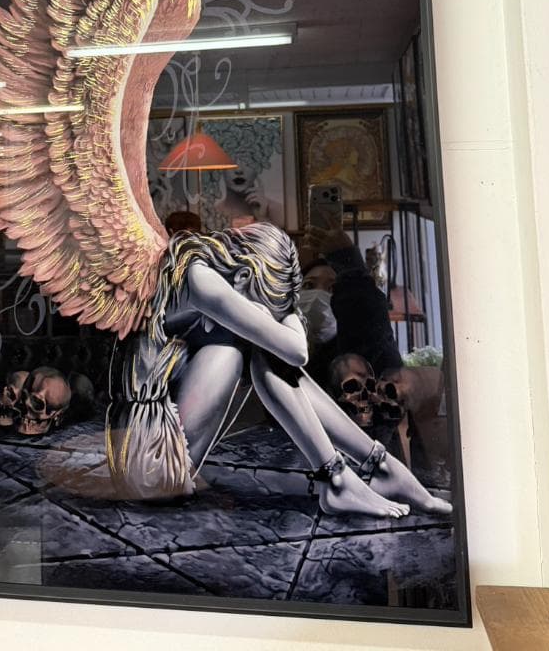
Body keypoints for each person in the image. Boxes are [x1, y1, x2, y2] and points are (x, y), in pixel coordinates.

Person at [107, 222, 451, 520]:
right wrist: (280, 315)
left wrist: (275, 310)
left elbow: (291, 351)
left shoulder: (220, 275)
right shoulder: (200, 279)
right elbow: (296, 351)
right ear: (243, 275)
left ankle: (370, 467)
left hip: (169, 443)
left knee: (263, 352)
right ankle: (354, 473)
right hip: (151, 466)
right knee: (251, 350)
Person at [300, 230, 402, 383]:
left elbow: (374, 342)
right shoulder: (279, 349)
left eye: (333, 288)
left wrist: (350, 265)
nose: (318, 295)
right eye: (309, 285)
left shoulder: (359, 355)